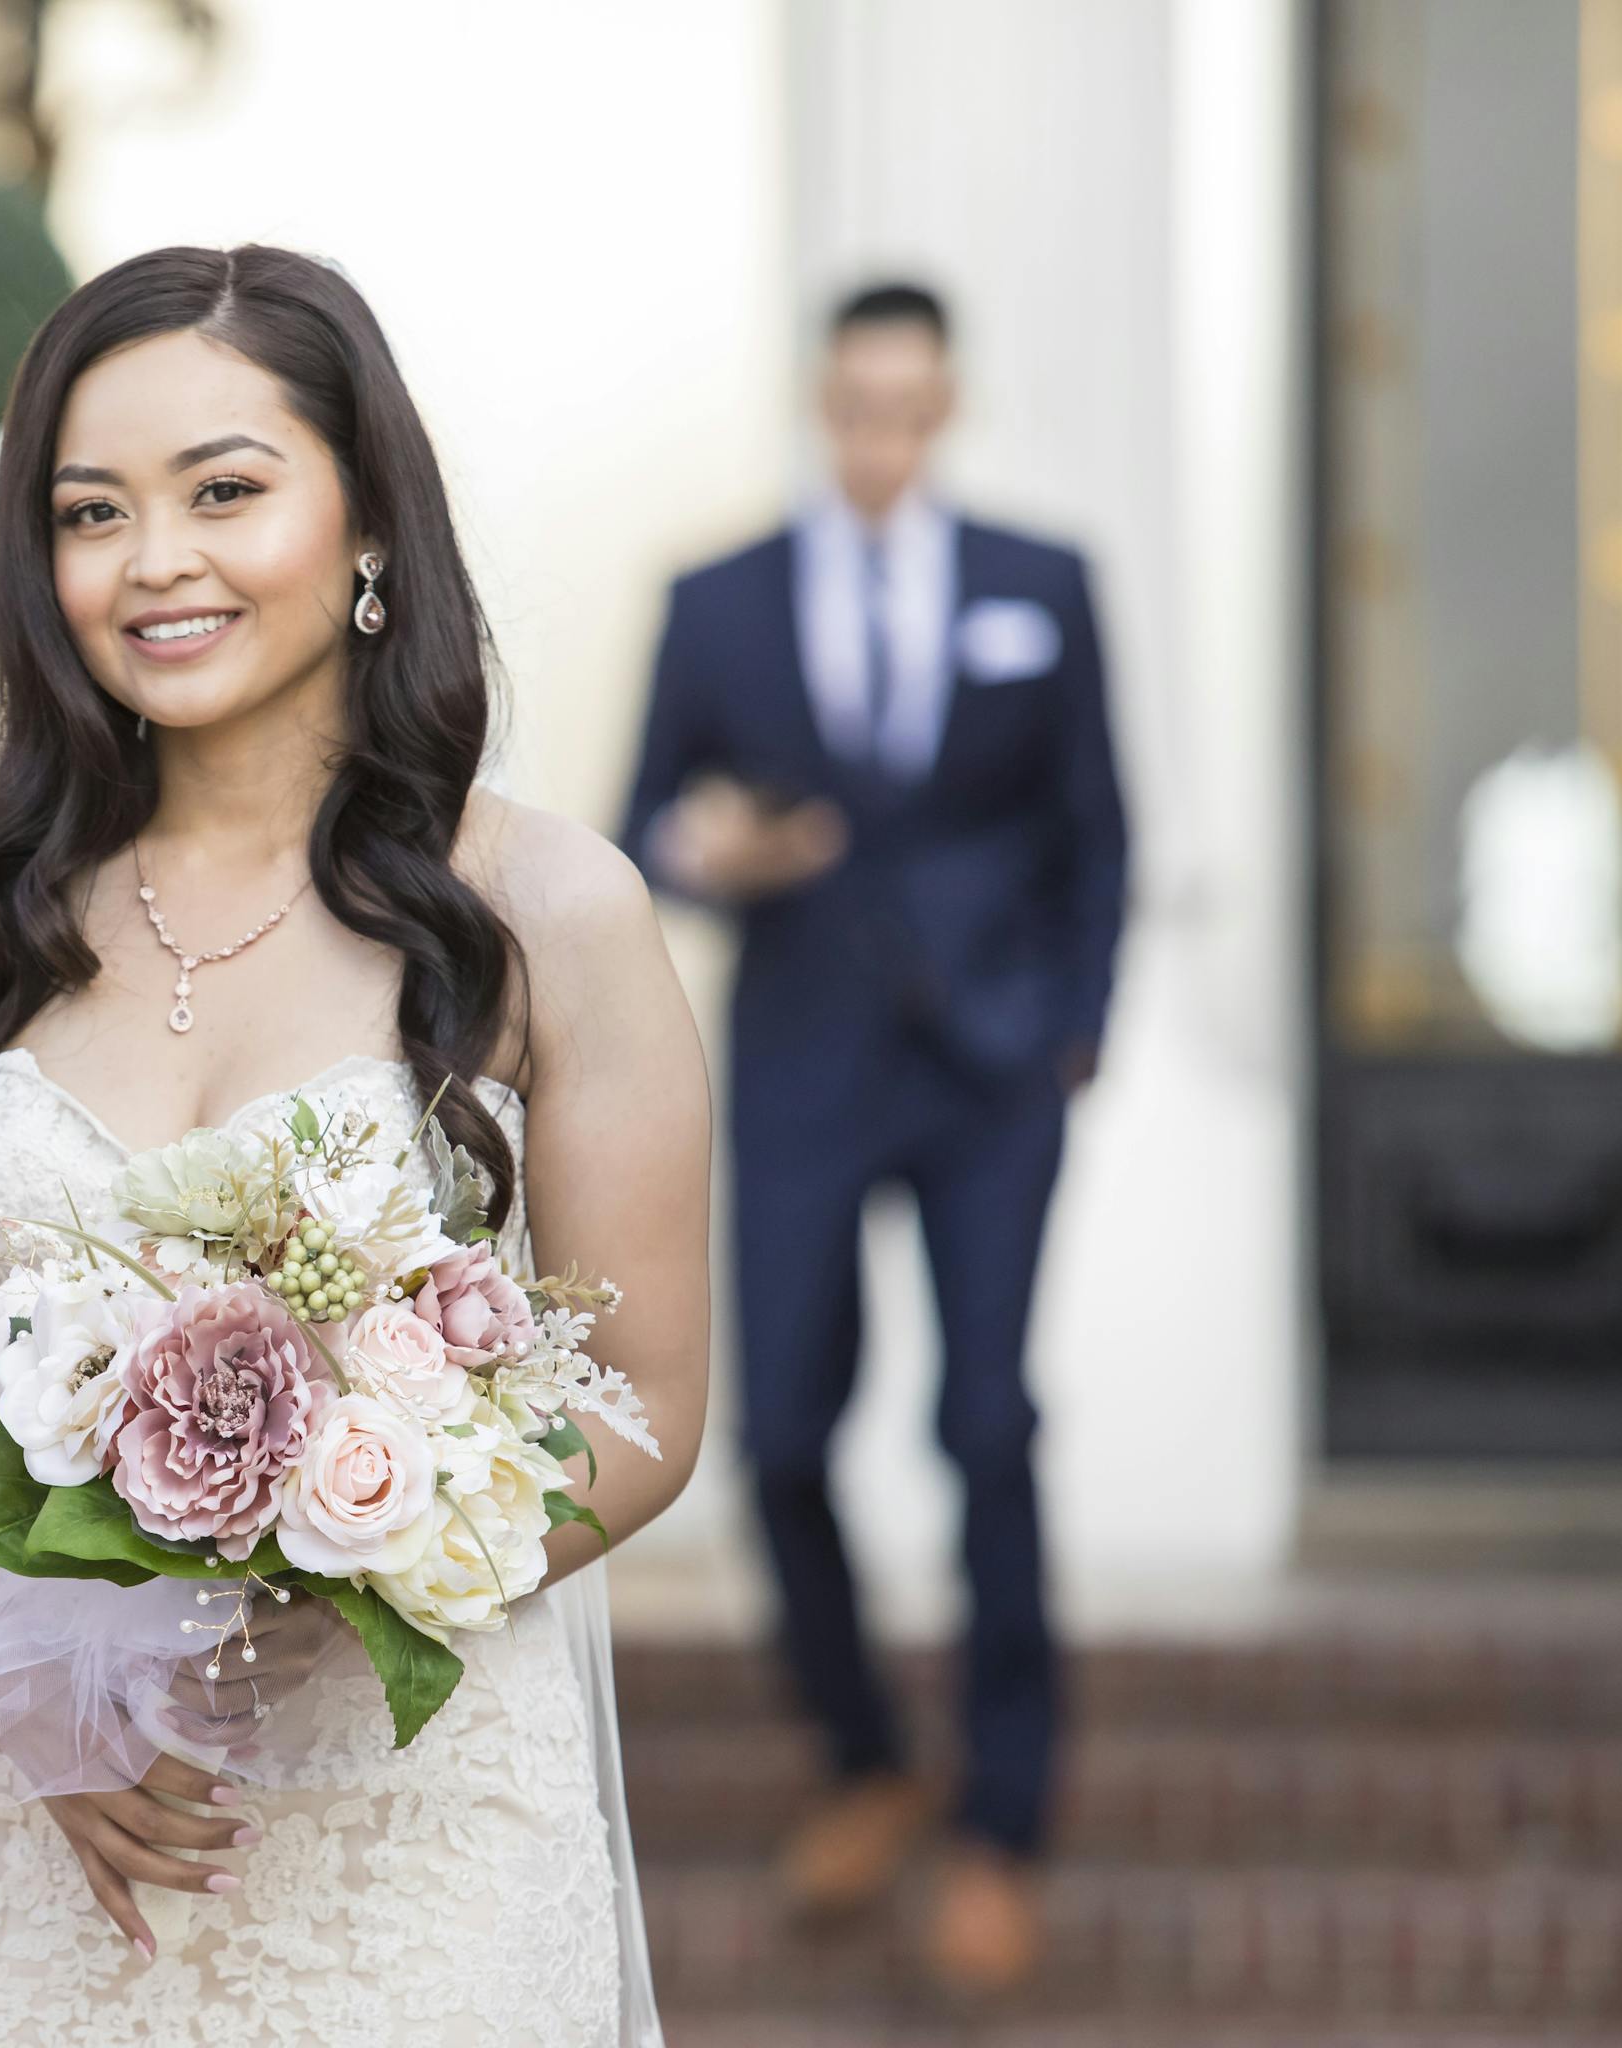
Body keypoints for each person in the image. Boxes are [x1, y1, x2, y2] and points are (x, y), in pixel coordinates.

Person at [0, 243, 710, 2047]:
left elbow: (650, 1402)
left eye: (225, 490)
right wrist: (33, 1693)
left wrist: (379, 1535)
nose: (156, 563)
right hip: (16, 1837)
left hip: (409, 1841)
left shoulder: (548, 909)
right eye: (90, 511)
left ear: (365, 518)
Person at [617, 282, 1127, 1991]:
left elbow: (1095, 824)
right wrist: (714, 855)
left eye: (912, 408)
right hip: (807, 1066)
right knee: (776, 1444)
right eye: (858, 407)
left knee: (987, 1425)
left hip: (993, 1076)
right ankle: (862, 1755)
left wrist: (1076, 1031)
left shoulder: (1042, 586)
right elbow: (641, 825)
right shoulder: (721, 601)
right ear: (823, 405)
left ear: (948, 405)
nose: (884, 439)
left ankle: (1002, 1819)